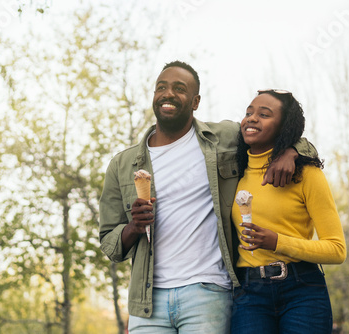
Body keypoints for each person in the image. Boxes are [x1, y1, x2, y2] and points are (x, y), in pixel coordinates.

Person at [98, 61, 317, 333]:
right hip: (148, 301)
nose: (168, 94)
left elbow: (283, 132)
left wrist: (290, 152)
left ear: (195, 101)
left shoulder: (224, 137)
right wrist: (134, 227)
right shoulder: (122, 164)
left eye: (179, 88)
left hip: (208, 291)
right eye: (161, 88)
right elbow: (109, 242)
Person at [231, 89, 346, 334]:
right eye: (248, 112)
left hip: (302, 290)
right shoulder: (231, 172)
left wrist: (277, 242)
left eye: (264, 114)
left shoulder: (306, 174)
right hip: (248, 294)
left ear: (284, 127)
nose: (251, 118)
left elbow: (336, 250)